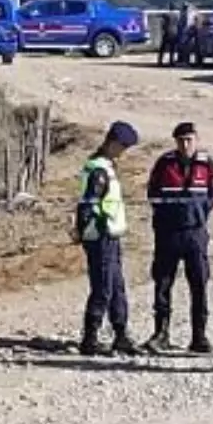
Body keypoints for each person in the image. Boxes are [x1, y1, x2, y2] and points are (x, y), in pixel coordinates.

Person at [142, 122, 213, 353]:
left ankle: (199, 336)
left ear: (196, 139)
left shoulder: (207, 164)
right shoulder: (165, 163)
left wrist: (199, 215)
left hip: (195, 232)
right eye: (181, 140)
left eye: (190, 139)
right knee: (163, 283)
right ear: (175, 142)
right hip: (168, 233)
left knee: (199, 284)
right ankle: (161, 333)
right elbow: (153, 192)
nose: (186, 144)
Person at [74, 121, 140, 356]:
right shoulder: (98, 169)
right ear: (113, 143)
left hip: (111, 235)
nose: (124, 153)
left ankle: (120, 334)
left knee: (116, 286)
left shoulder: (106, 166)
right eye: (123, 147)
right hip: (100, 235)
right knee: (103, 288)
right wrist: (91, 228)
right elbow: (88, 206)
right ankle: (90, 338)